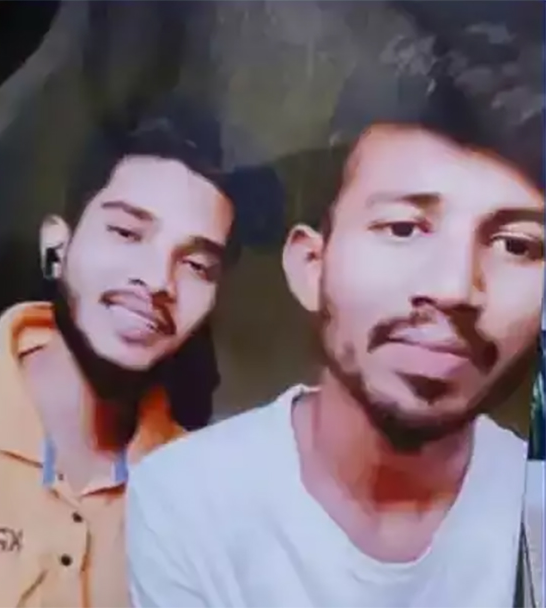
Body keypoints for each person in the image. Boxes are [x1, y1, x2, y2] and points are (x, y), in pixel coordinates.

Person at [126, 79, 544, 607]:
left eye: (515, 246)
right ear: (311, 266)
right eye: (403, 228)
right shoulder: (187, 498)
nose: (455, 287)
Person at [0, 100, 244, 607]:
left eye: (196, 265)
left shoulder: (203, 485)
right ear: (57, 248)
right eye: (127, 233)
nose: (158, 281)